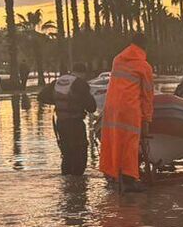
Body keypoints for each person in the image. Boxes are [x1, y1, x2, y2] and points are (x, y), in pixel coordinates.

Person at [99, 34, 156, 191]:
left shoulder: (117, 60)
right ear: (146, 47)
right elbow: (147, 95)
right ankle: (129, 180)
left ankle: (112, 174)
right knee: (130, 143)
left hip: (111, 108)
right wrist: (147, 119)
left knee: (113, 140)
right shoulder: (144, 67)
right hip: (129, 109)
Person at [41, 68, 98, 176]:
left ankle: (66, 180)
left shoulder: (58, 82)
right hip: (75, 123)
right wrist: (76, 104)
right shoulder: (80, 84)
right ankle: (78, 182)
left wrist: (59, 103)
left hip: (61, 123)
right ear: (82, 74)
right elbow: (92, 108)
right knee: (80, 151)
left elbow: (42, 96)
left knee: (66, 153)